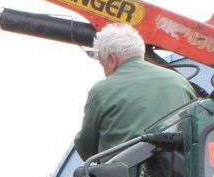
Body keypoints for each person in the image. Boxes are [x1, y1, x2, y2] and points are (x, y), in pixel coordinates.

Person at [74, 24, 196, 160]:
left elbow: (86, 147)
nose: (105, 72)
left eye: (103, 65)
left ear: (112, 60)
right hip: (182, 176)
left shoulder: (101, 90)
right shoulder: (180, 81)